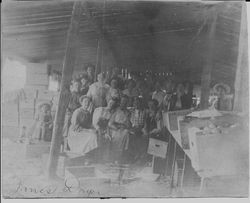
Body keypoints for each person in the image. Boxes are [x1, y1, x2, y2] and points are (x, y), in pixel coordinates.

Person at [108, 95, 131, 164]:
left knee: (126, 133)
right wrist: (117, 127)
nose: (124, 103)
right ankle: (116, 158)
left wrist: (126, 122)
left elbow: (129, 125)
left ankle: (120, 157)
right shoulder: (116, 110)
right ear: (120, 102)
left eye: (126, 102)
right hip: (114, 129)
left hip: (124, 129)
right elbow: (110, 123)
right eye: (123, 101)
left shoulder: (128, 112)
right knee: (119, 136)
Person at [62, 80, 82, 150]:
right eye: (76, 85)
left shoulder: (81, 96)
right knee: (67, 122)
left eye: (79, 85)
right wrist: (68, 111)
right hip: (70, 112)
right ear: (73, 86)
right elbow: (65, 105)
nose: (78, 87)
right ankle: (65, 144)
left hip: (77, 113)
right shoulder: (69, 95)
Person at [129, 97, 147, 162]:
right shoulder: (131, 110)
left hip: (141, 127)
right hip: (134, 127)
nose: (136, 104)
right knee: (133, 135)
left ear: (140, 103)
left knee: (144, 136)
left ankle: (141, 154)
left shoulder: (144, 111)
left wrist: (144, 128)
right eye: (135, 103)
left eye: (138, 103)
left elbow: (145, 121)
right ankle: (136, 154)